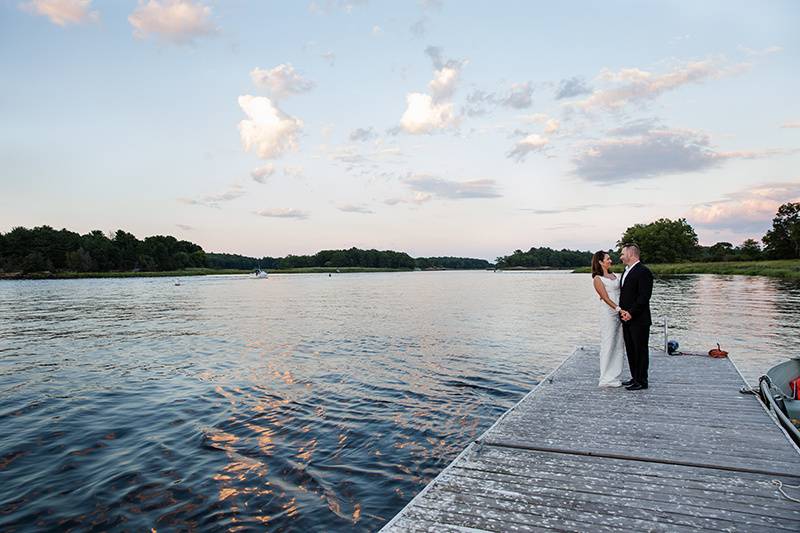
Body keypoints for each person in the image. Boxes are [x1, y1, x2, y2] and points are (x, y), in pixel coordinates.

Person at [618, 243, 654, 391]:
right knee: (631, 350)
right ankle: (635, 377)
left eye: (622, 253)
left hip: (639, 319)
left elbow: (644, 297)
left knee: (640, 350)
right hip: (626, 318)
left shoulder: (643, 271)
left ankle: (642, 381)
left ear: (631, 254)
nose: (620, 256)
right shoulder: (626, 271)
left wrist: (631, 313)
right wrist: (623, 313)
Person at [591, 250, 624, 388]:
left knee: (618, 344)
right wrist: (618, 309)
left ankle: (615, 376)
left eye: (610, 258)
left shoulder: (613, 275)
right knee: (608, 343)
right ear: (600, 262)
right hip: (609, 313)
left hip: (620, 312)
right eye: (608, 259)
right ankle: (605, 378)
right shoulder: (597, 279)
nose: (610, 261)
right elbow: (605, 298)